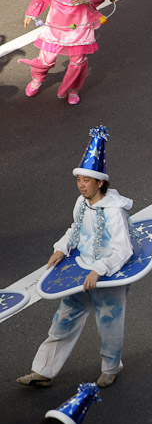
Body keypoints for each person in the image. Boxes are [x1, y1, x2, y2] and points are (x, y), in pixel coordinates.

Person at [17, 127, 134, 389]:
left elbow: (123, 250)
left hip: (107, 277)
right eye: (78, 179)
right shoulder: (81, 203)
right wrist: (61, 248)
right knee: (64, 319)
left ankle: (110, 368)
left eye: (86, 180)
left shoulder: (114, 212)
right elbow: (75, 229)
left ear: (100, 182)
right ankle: (43, 371)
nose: (81, 184)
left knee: (109, 326)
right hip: (81, 270)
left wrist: (100, 270)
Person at [19, 0, 108, 105]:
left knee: (78, 61)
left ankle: (73, 89)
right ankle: (38, 78)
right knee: (46, 60)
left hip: (80, 28)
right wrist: (32, 11)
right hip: (56, 26)